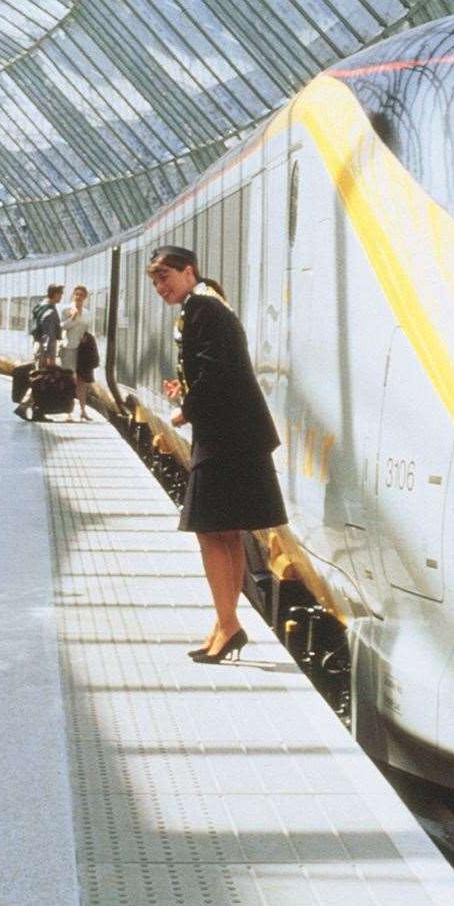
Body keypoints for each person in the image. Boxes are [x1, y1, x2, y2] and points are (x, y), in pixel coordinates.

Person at [148, 244, 287, 665]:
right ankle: (225, 624)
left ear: (188, 272)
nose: (160, 288)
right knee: (223, 532)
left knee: (211, 531)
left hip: (226, 438)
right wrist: (186, 392)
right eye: (155, 282)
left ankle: (227, 625)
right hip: (233, 434)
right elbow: (212, 367)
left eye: (164, 278)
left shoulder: (203, 309)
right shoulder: (206, 303)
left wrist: (185, 409)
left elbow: (215, 371)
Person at [15, 282, 64, 420]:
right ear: (55, 294)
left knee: (40, 381)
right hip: (44, 349)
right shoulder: (49, 311)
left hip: (39, 347)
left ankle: (37, 410)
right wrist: (50, 357)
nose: (61, 296)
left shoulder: (42, 306)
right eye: (60, 293)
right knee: (41, 381)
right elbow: (48, 336)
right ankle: (28, 408)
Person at [60, 285, 99, 421]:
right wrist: (73, 318)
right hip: (69, 348)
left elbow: (86, 328)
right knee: (69, 380)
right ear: (73, 295)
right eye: (76, 294)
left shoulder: (87, 313)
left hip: (83, 350)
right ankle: (67, 412)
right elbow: (63, 326)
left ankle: (82, 410)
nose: (78, 297)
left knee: (82, 381)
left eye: (81, 295)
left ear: (85, 297)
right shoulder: (66, 310)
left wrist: (85, 336)